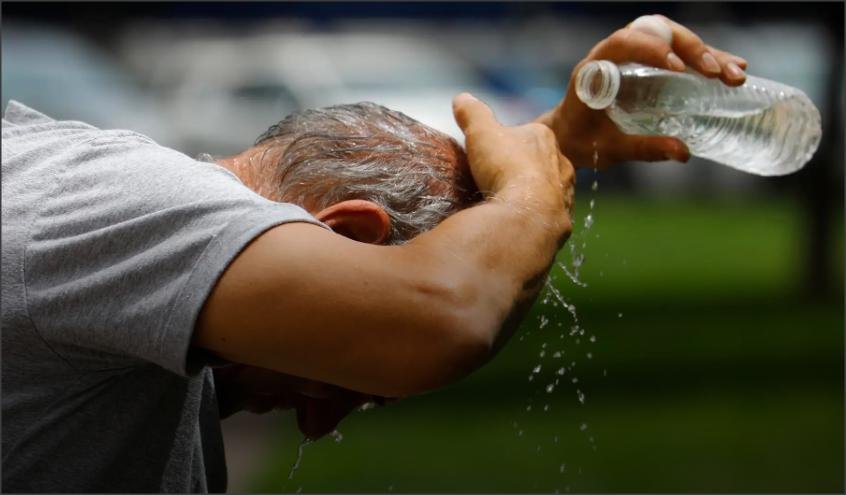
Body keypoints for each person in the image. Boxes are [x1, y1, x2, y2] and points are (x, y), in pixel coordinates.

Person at [1, 15, 747, 492]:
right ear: (352, 236)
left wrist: (550, 146)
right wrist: (529, 190)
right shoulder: (126, 202)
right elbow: (443, 317)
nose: (319, 424)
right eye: (352, 381)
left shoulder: (132, 266)